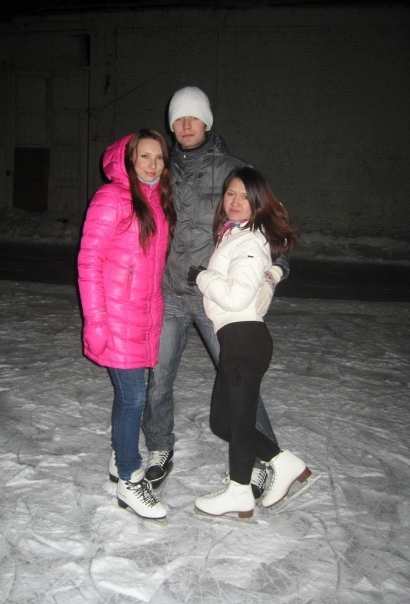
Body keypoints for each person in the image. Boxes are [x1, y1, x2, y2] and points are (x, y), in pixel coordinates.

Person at [141, 86, 289, 497]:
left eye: (194, 117)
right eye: (178, 119)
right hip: (170, 293)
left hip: (215, 298)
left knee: (238, 381)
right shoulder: (161, 169)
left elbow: (274, 229)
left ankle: (263, 462)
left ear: (206, 121)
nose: (186, 125)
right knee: (158, 380)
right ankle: (159, 446)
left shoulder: (234, 170)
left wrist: (275, 272)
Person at [191, 166, 312, 518]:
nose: (235, 201)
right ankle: (283, 462)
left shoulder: (249, 239)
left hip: (243, 339)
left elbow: (236, 295)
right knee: (222, 422)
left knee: (240, 423)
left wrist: (202, 277)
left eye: (245, 196)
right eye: (231, 193)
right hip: (237, 340)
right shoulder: (235, 234)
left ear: (258, 202)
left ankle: (239, 491)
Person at [77, 129, 176, 522]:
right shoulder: (111, 197)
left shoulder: (157, 200)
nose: (152, 164)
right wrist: (95, 319)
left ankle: (119, 460)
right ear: (129, 159)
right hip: (114, 315)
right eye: (144, 156)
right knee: (134, 397)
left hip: (142, 314)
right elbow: (89, 261)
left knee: (130, 396)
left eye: (159, 157)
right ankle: (130, 479)